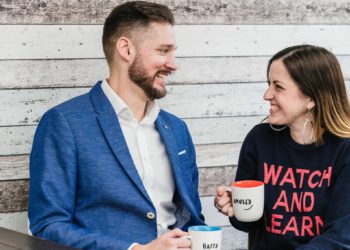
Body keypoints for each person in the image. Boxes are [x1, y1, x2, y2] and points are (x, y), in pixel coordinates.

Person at [28, 1, 205, 249]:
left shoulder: (177, 129)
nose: (173, 64)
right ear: (126, 49)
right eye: (163, 51)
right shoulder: (64, 124)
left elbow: (192, 217)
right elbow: (48, 226)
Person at [214, 45, 350, 249]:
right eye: (269, 84)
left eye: (278, 87)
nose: (267, 95)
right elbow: (250, 223)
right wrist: (237, 208)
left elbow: (340, 238)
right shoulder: (259, 139)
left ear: (310, 97)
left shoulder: (344, 150)